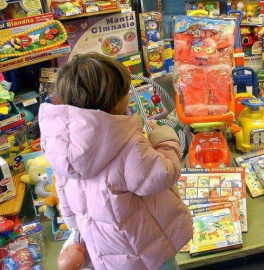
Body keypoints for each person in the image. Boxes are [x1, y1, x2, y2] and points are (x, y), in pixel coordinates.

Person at [39, 53, 193, 270]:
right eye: (125, 92)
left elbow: (63, 194)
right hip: (146, 252)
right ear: (114, 102)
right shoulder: (128, 146)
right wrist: (164, 138)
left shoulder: (61, 146)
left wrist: (78, 229)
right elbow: (164, 173)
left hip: (105, 253)